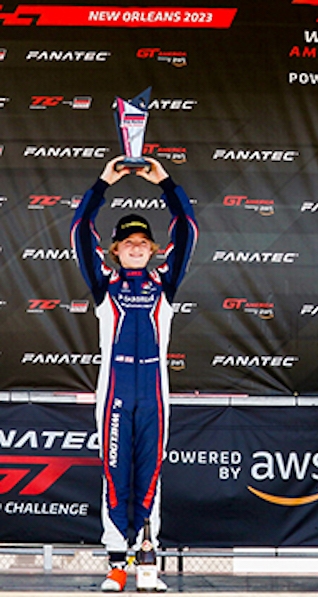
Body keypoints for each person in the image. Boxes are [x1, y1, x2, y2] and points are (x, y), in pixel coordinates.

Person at [71, 156, 198, 592]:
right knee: (114, 475)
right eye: (128, 243)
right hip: (115, 392)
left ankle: (147, 561)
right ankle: (115, 565)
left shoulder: (166, 284)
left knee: (150, 476)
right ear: (116, 250)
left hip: (155, 393)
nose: (137, 248)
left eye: (143, 242)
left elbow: (188, 229)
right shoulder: (104, 286)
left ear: (153, 248)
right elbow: (79, 231)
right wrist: (102, 184)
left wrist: (165, 183)